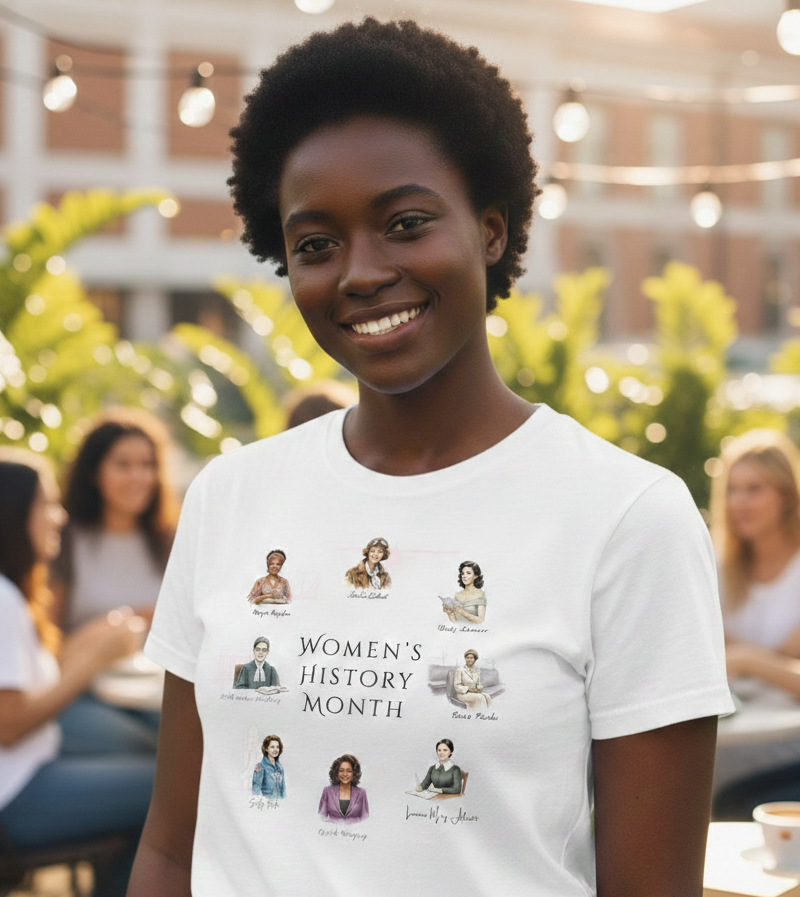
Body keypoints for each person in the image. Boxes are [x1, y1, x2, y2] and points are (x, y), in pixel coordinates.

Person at [129, 19, 732, 897]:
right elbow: (169, 851)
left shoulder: (626, 515)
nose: (359, 273)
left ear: (491, 230)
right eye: (316, 244)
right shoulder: (231, 496)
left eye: (405, 224)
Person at [0, 450, 155, 897]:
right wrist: (94, 659)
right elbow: (10, 723)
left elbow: (30, 685)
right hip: (15, 794)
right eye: (45, 505)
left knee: (152, 768)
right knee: (167, 793)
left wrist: (95, 641)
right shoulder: (4, 600)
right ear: (13, 516)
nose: (59, 517)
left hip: (30, 770)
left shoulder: (11, 593)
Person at [707, 431, 800, 819]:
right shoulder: (717, 567)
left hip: (788, 746)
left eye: (754, 489)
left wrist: (744, 657)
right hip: (731, 738)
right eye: (732, 489)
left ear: (785, 495)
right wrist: (776, 663)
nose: (739, 502)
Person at [51, 408, 178, 631]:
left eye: (147, 465)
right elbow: (47, 635)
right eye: (123, 465)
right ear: (94, 472)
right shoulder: (63, 540)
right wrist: (122, 625)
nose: (138, 477)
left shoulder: (174, 542)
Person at [318, 755, 369, 824]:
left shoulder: (361, 792)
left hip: (355, 833)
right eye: (341, 770)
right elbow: (321, 817)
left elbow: (365, 819)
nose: (345, 774)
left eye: (349, 771)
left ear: (354, 773)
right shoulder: (327, 791)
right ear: (336, 772)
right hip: (332, 832)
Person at [252, 735, 286, 799]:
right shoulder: (260, 766)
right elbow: (256, 792)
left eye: (277, 747)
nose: (275, 750)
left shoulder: (280, 768)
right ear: (266, 748)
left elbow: (283, 790)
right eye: (272, 747)